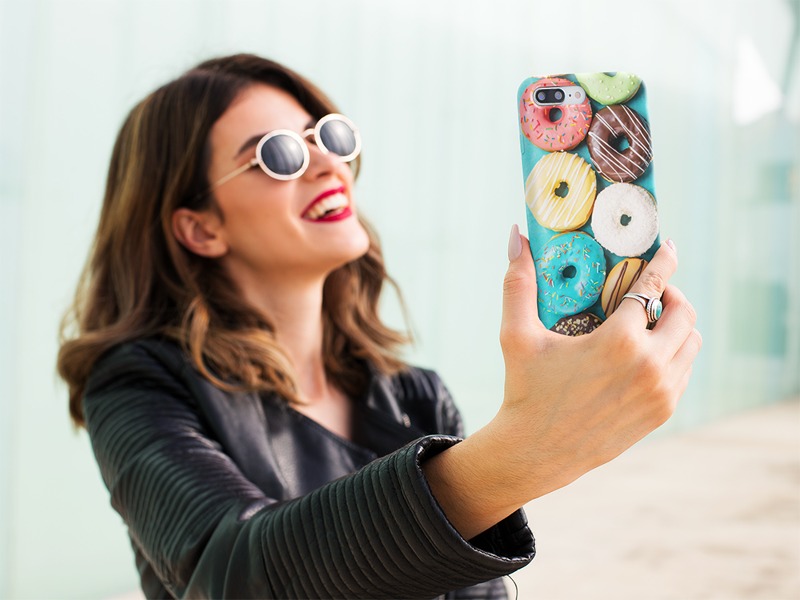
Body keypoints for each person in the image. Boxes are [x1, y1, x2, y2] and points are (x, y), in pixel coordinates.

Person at [57, 53, 701, 599]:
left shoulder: (415, 397)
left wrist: (524, 451)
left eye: (328, 137)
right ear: (200, 228)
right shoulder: (137, 384)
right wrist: (521, 451)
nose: (326, 165)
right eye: (278, 155)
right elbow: (232, 572)